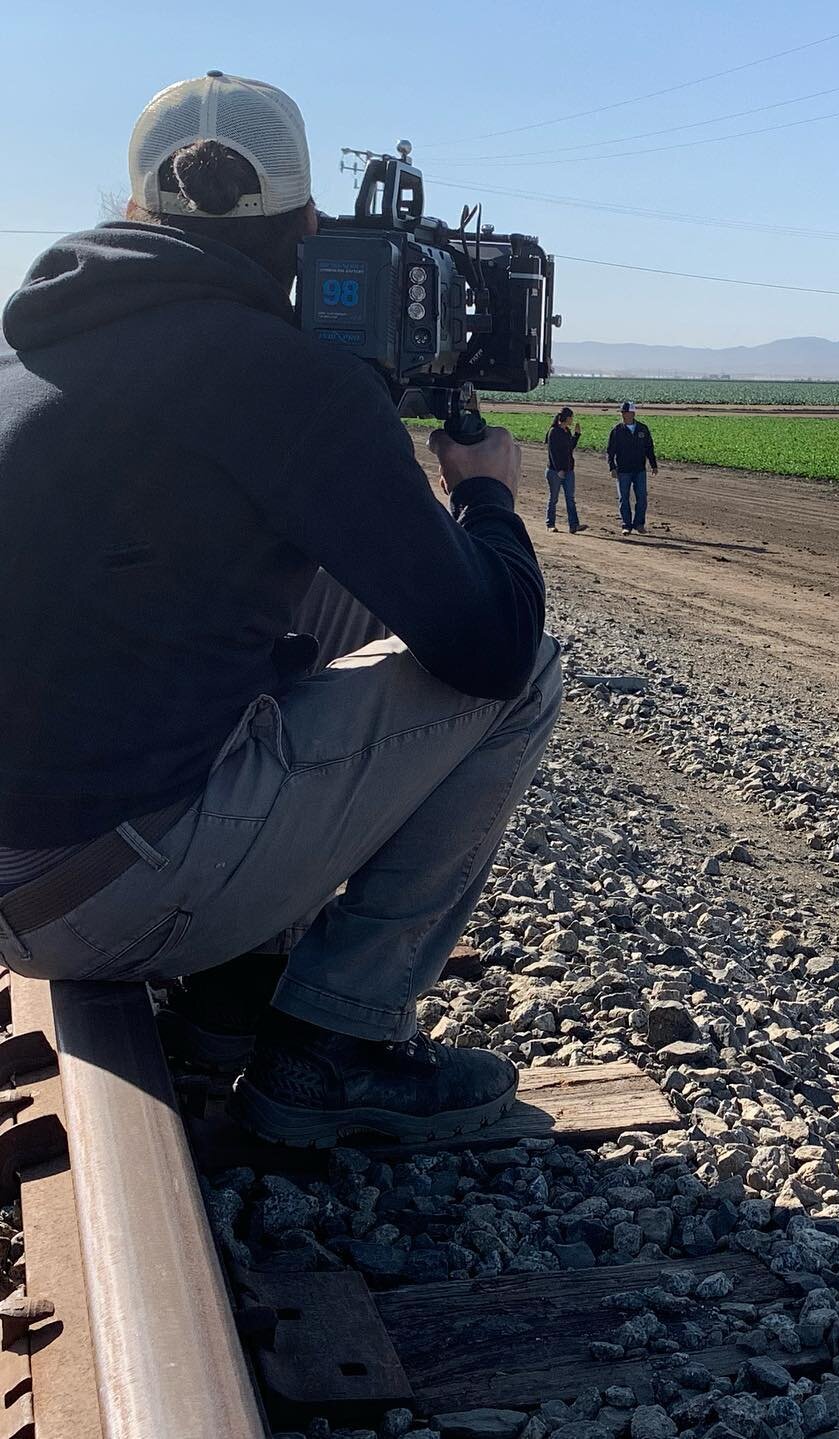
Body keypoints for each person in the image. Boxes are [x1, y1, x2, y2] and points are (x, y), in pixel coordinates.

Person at [0, 72, 562, 1148]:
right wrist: (486, 490)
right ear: (308, 230)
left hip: (19, 866)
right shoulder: (286, 378)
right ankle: (333, 1047)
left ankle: (227, 994)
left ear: (130, 213)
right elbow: (489, 644)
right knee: (531, 672)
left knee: (293, 595)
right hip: (95, 898)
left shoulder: (29, 343)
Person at [606, 400, 658, 535]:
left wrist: (653, 464)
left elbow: (649, 448)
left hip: (639, 469)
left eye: (626, 412)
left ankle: (639, 524)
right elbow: (610, 451)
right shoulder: (617, 430)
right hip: (623, 470)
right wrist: (612, 467)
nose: (624, 415)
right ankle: (626, 525)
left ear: (632, 413)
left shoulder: (642, 429)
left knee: (642, 497)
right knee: (624, 498)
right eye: (622, 412)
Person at [544, 407, 584, 533]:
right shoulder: (554, 432)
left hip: (568, 470)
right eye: (571, 417)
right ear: (567, 418)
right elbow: (553, 453)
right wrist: (559, 469)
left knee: (570, 498)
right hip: (555, 471)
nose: (572, 420)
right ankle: (550, 524)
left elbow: (569, 448)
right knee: (554, 498)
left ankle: (574, 525)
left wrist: (577, 435)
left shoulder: (567, 431)